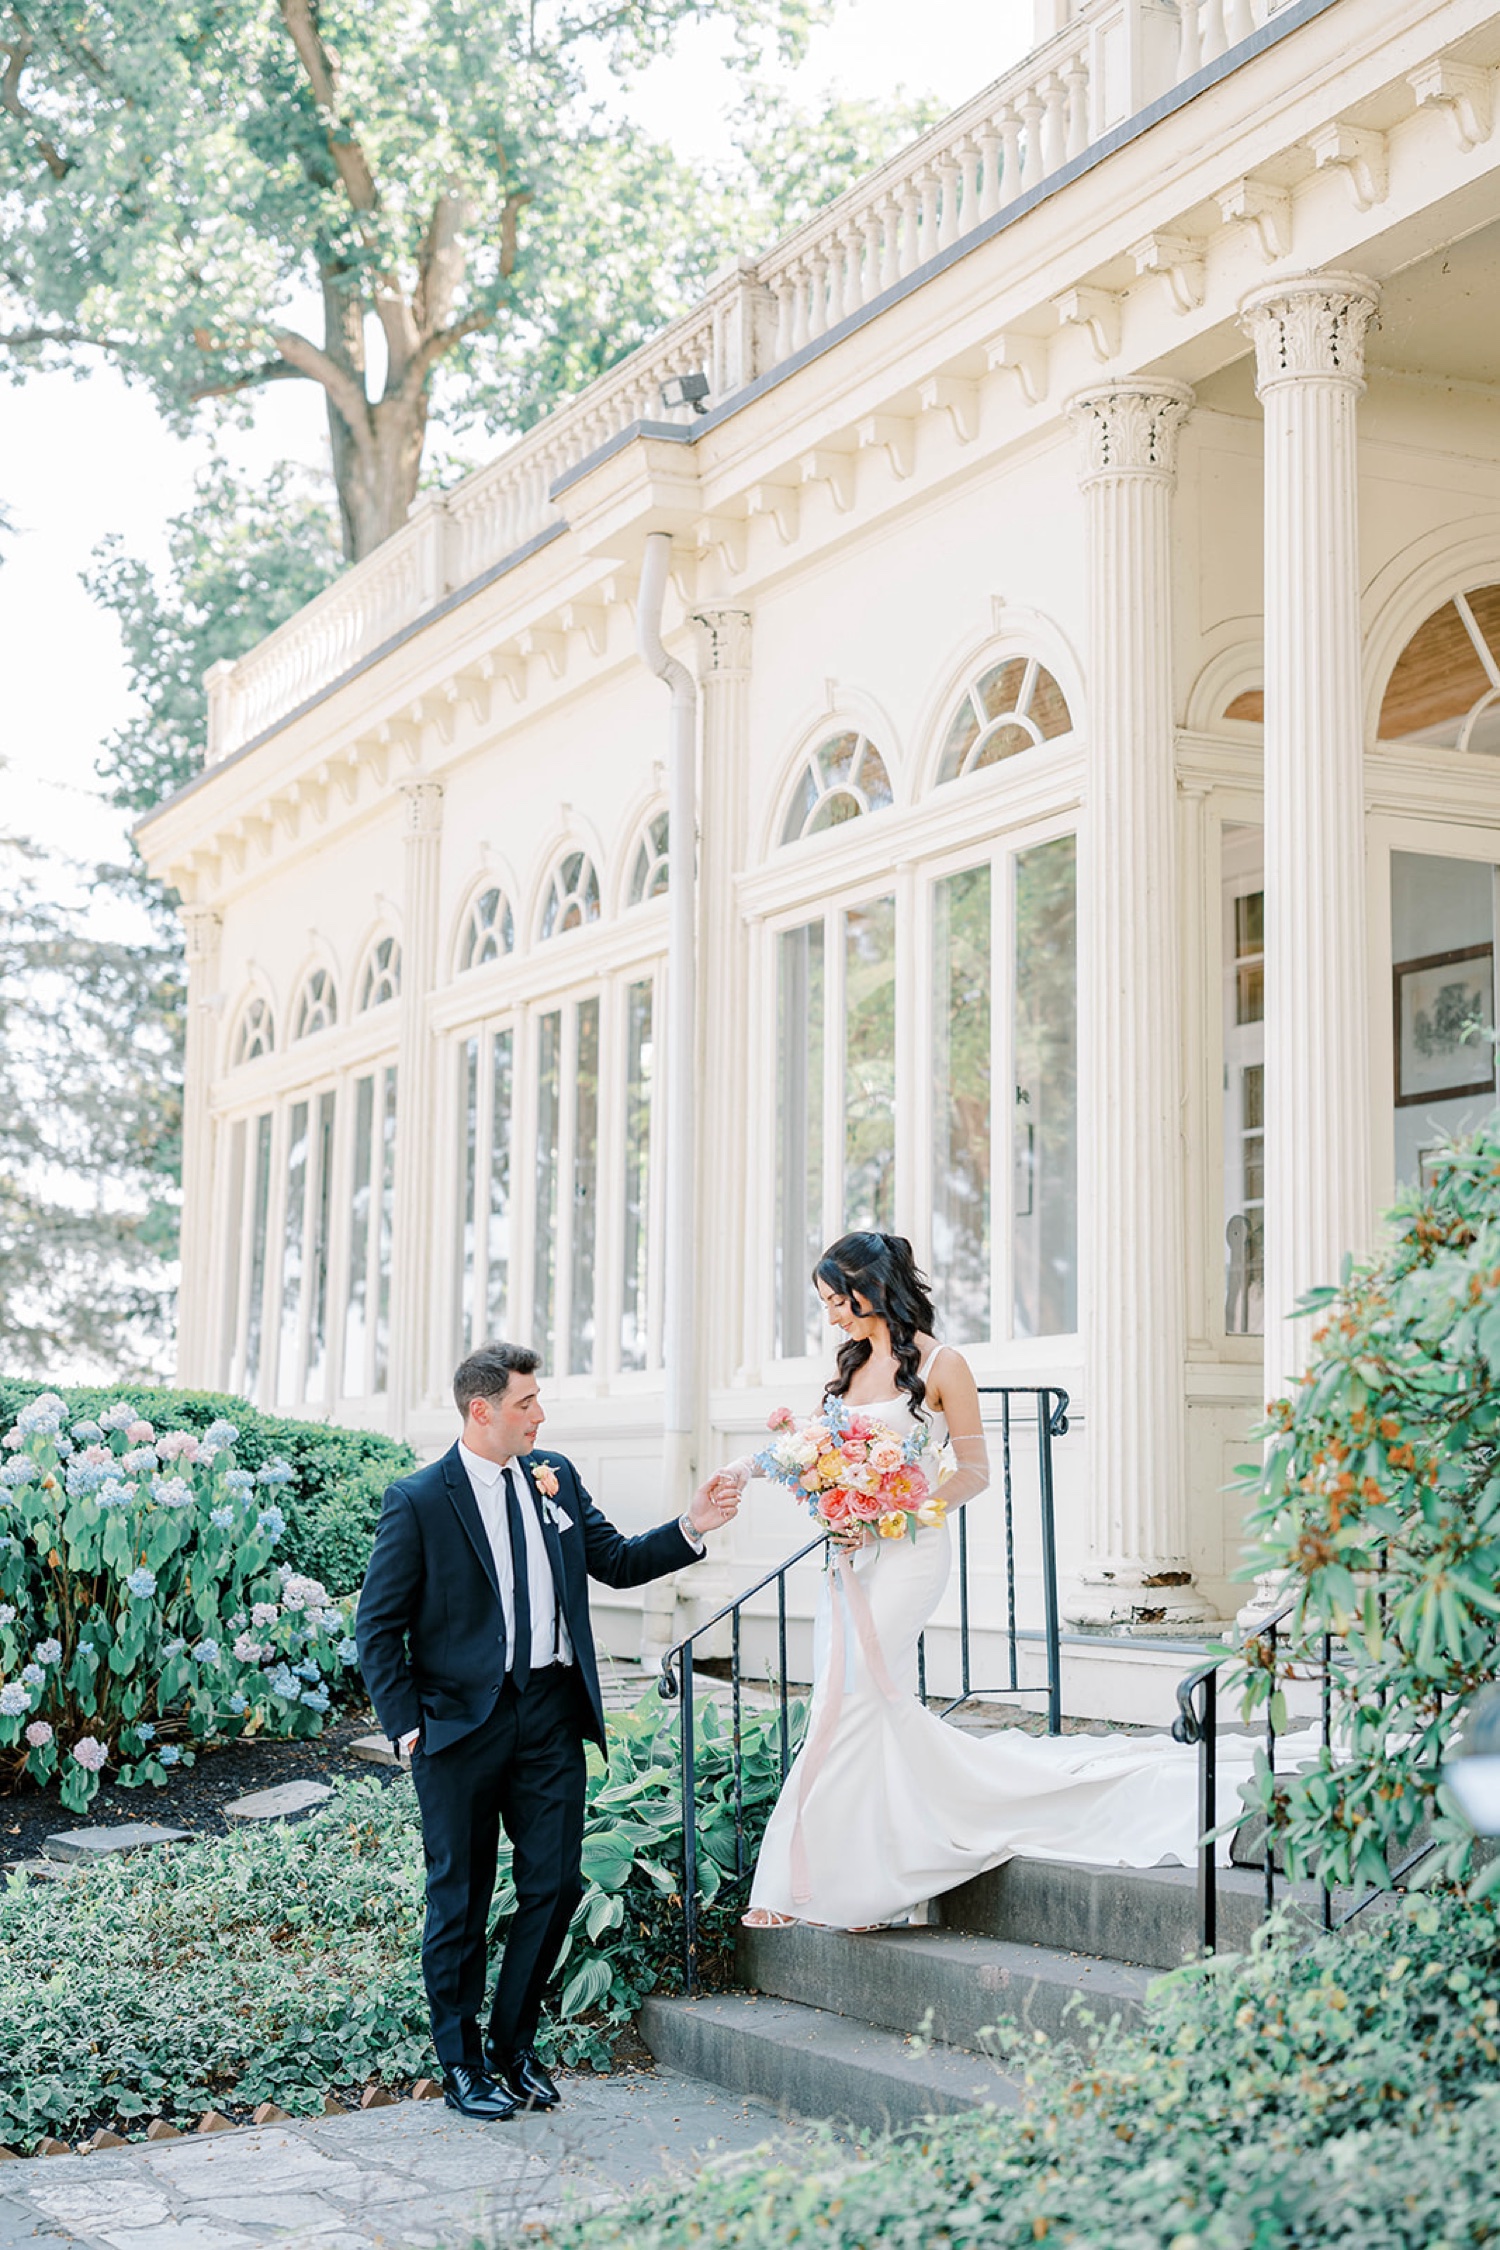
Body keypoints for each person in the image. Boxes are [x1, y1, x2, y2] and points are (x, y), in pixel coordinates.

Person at [711, 1233, 1252, 1933]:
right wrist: (746, 1472)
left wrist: (893, 1508)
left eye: (834, 1301)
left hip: (909, 1555)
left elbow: (972, 1473)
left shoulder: (944, 1364)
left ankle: (815, 1884)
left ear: (868, 1289)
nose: (832, 1318)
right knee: (851, 1702)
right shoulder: (846, 1369)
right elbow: (805, 1448)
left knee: (848, 1701)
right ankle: (866, 1872)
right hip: (848, 1560)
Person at [356, 1340, 740, 2120]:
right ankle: (461, 2064)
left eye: (538, 1401)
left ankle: (512, 2047)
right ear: (481, 1410)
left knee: (555, 1885)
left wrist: (692, 1525)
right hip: (458, 1730)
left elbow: (617, 1560)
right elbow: (377, 1628)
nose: (541, 1415)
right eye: (527, 1403)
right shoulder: (420, 1500)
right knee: (458, 1899)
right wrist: (406, 1729)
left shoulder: (552, 1474)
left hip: (551, 1716)